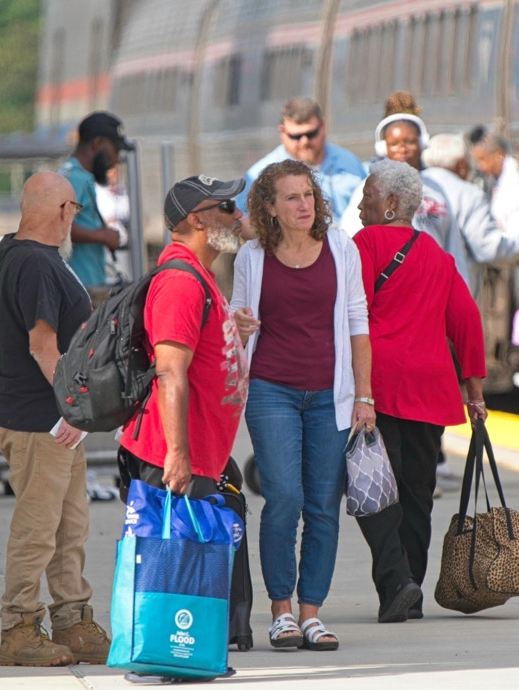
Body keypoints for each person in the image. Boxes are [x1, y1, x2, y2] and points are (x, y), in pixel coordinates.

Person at [231, 159, 374, 651]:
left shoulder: (341, 247)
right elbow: (238, 323)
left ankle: (311, 612)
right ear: (269, 207)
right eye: (292, 197)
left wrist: (364, 395)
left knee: (323, 506)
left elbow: (358, 322)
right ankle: (281, 611)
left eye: (308, 195)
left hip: (330, 395)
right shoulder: (252, 256)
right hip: (271, 388)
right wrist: (239, 325)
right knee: (284, 498)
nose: (304, 205)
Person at [353, 158, 487, 622]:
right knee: (416, 493)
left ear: (391, 203)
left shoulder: (366, 244)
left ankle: (396, 582)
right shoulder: (437, 255)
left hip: (378, 386)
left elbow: (352, 315)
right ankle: (411, 588)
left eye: (367, 196)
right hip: (430, 388)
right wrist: (475, 393)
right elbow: (466, 320)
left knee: (374, 489)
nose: (360, 206)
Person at [0, 171, 109, 666]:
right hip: (42, 421)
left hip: (53, 423)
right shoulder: (36, 263)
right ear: (62, 210)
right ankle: (18, 629)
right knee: (38, 530)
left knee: (68, 528)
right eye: (75, 209)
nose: (73, 218)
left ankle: (71, 621)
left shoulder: (11, 253)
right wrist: (76, 404)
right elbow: (42, 346)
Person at [118, 174, 249, 499]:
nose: (238, 214)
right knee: (172, 536)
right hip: (173, 459)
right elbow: (169, 372)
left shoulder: (198, 274)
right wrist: (176, 454)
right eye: (227, 206)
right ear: (197, 219)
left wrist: (230, 332)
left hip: (198, 453)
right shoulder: (181, 282)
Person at [468, 127, 519, 388]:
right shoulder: (501, 180)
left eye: (483, 159)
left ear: (498, 153)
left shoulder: (515, 183)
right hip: (516, 254)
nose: (481, 166)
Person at [421, 132, 519, 296]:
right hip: (453, 294)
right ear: (461, 164)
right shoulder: (467, 194)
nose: (477, 168)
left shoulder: (412, 188)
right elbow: (489, 249)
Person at [234, 97, 365, 225]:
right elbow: (243, 222)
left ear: (323, 125)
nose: (304, 141)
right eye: (296, 136)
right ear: (282, 131)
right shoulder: (259, 176)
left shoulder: (348, 162)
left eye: (311, 134)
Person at [58, 111, 133, 289]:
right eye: (115, 150)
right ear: (97, 143)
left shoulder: (80, 176)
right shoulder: (74, 178)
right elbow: (59, 225)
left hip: (84, 284)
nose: (116, 159)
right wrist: (102, 235)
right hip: (79, 287)